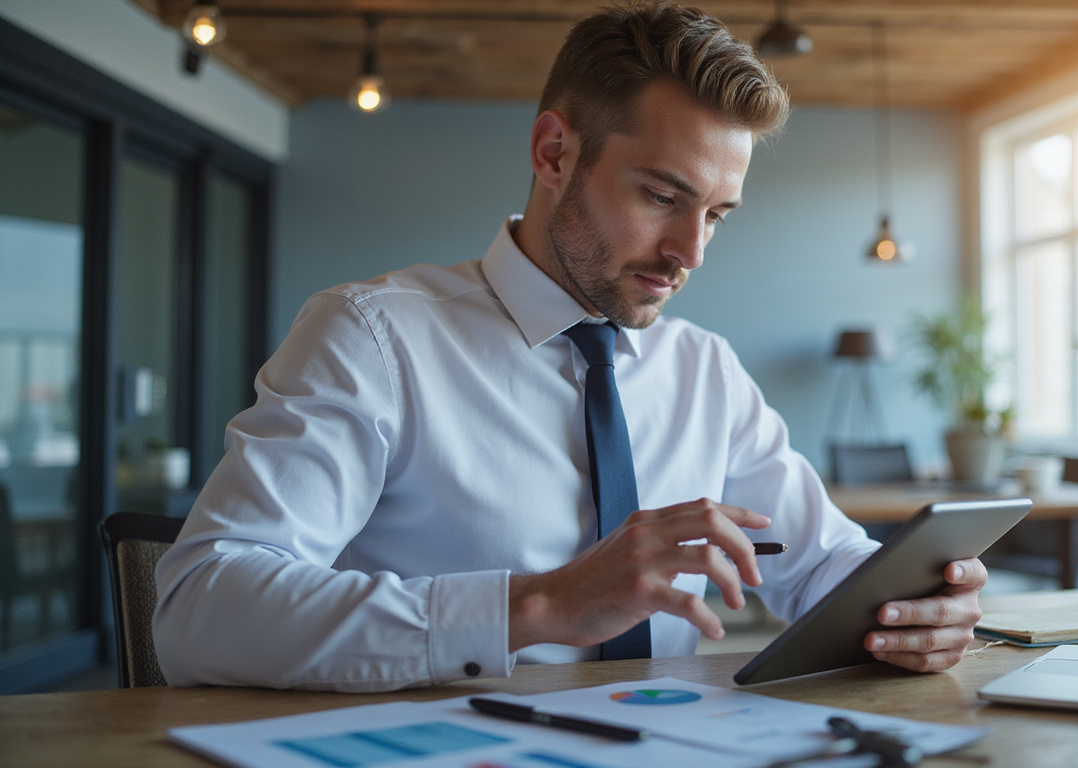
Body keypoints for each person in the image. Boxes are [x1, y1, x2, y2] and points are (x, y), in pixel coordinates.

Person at [153, 0, 987, 692]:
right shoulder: (373, 337)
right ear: (556, 152)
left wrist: (911, 607)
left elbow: (824, 562)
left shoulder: (704, 371)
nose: (691, 252)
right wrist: (537, 607)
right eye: (663, 196)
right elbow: (200, 609)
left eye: (718, 215)